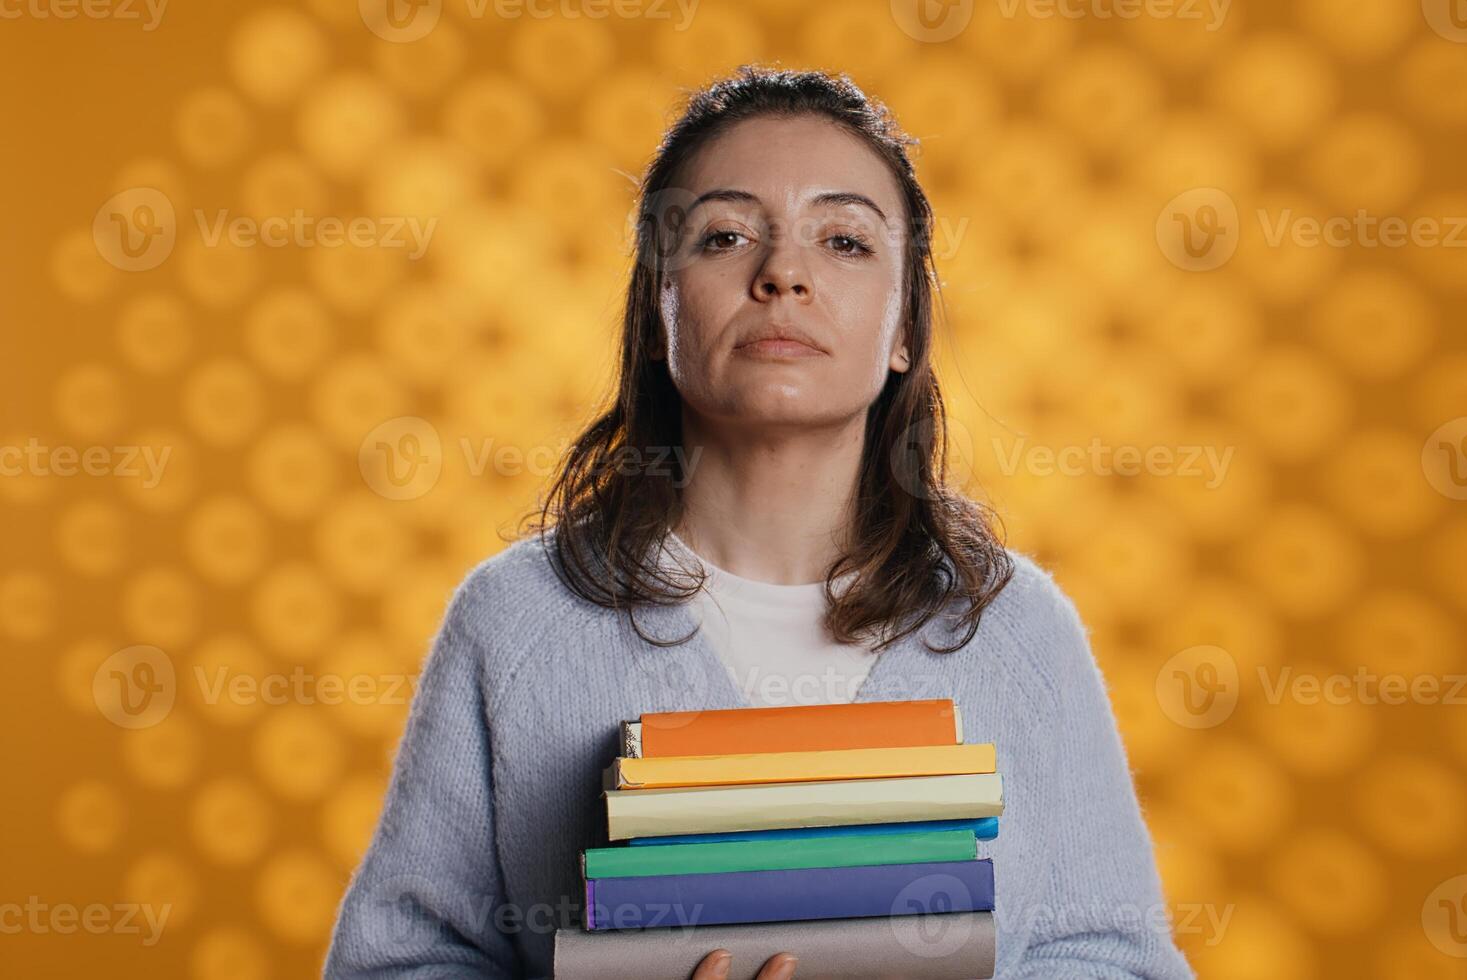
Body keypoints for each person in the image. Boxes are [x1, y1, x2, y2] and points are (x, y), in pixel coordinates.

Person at [325, 65, 1195, 979]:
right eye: (726, 235)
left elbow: (1112, 959)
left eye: (846, 242)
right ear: (658, 312)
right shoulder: (515, 623)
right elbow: (401, 963)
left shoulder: (1018, 630)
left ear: (905, 328)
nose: (783, 273)